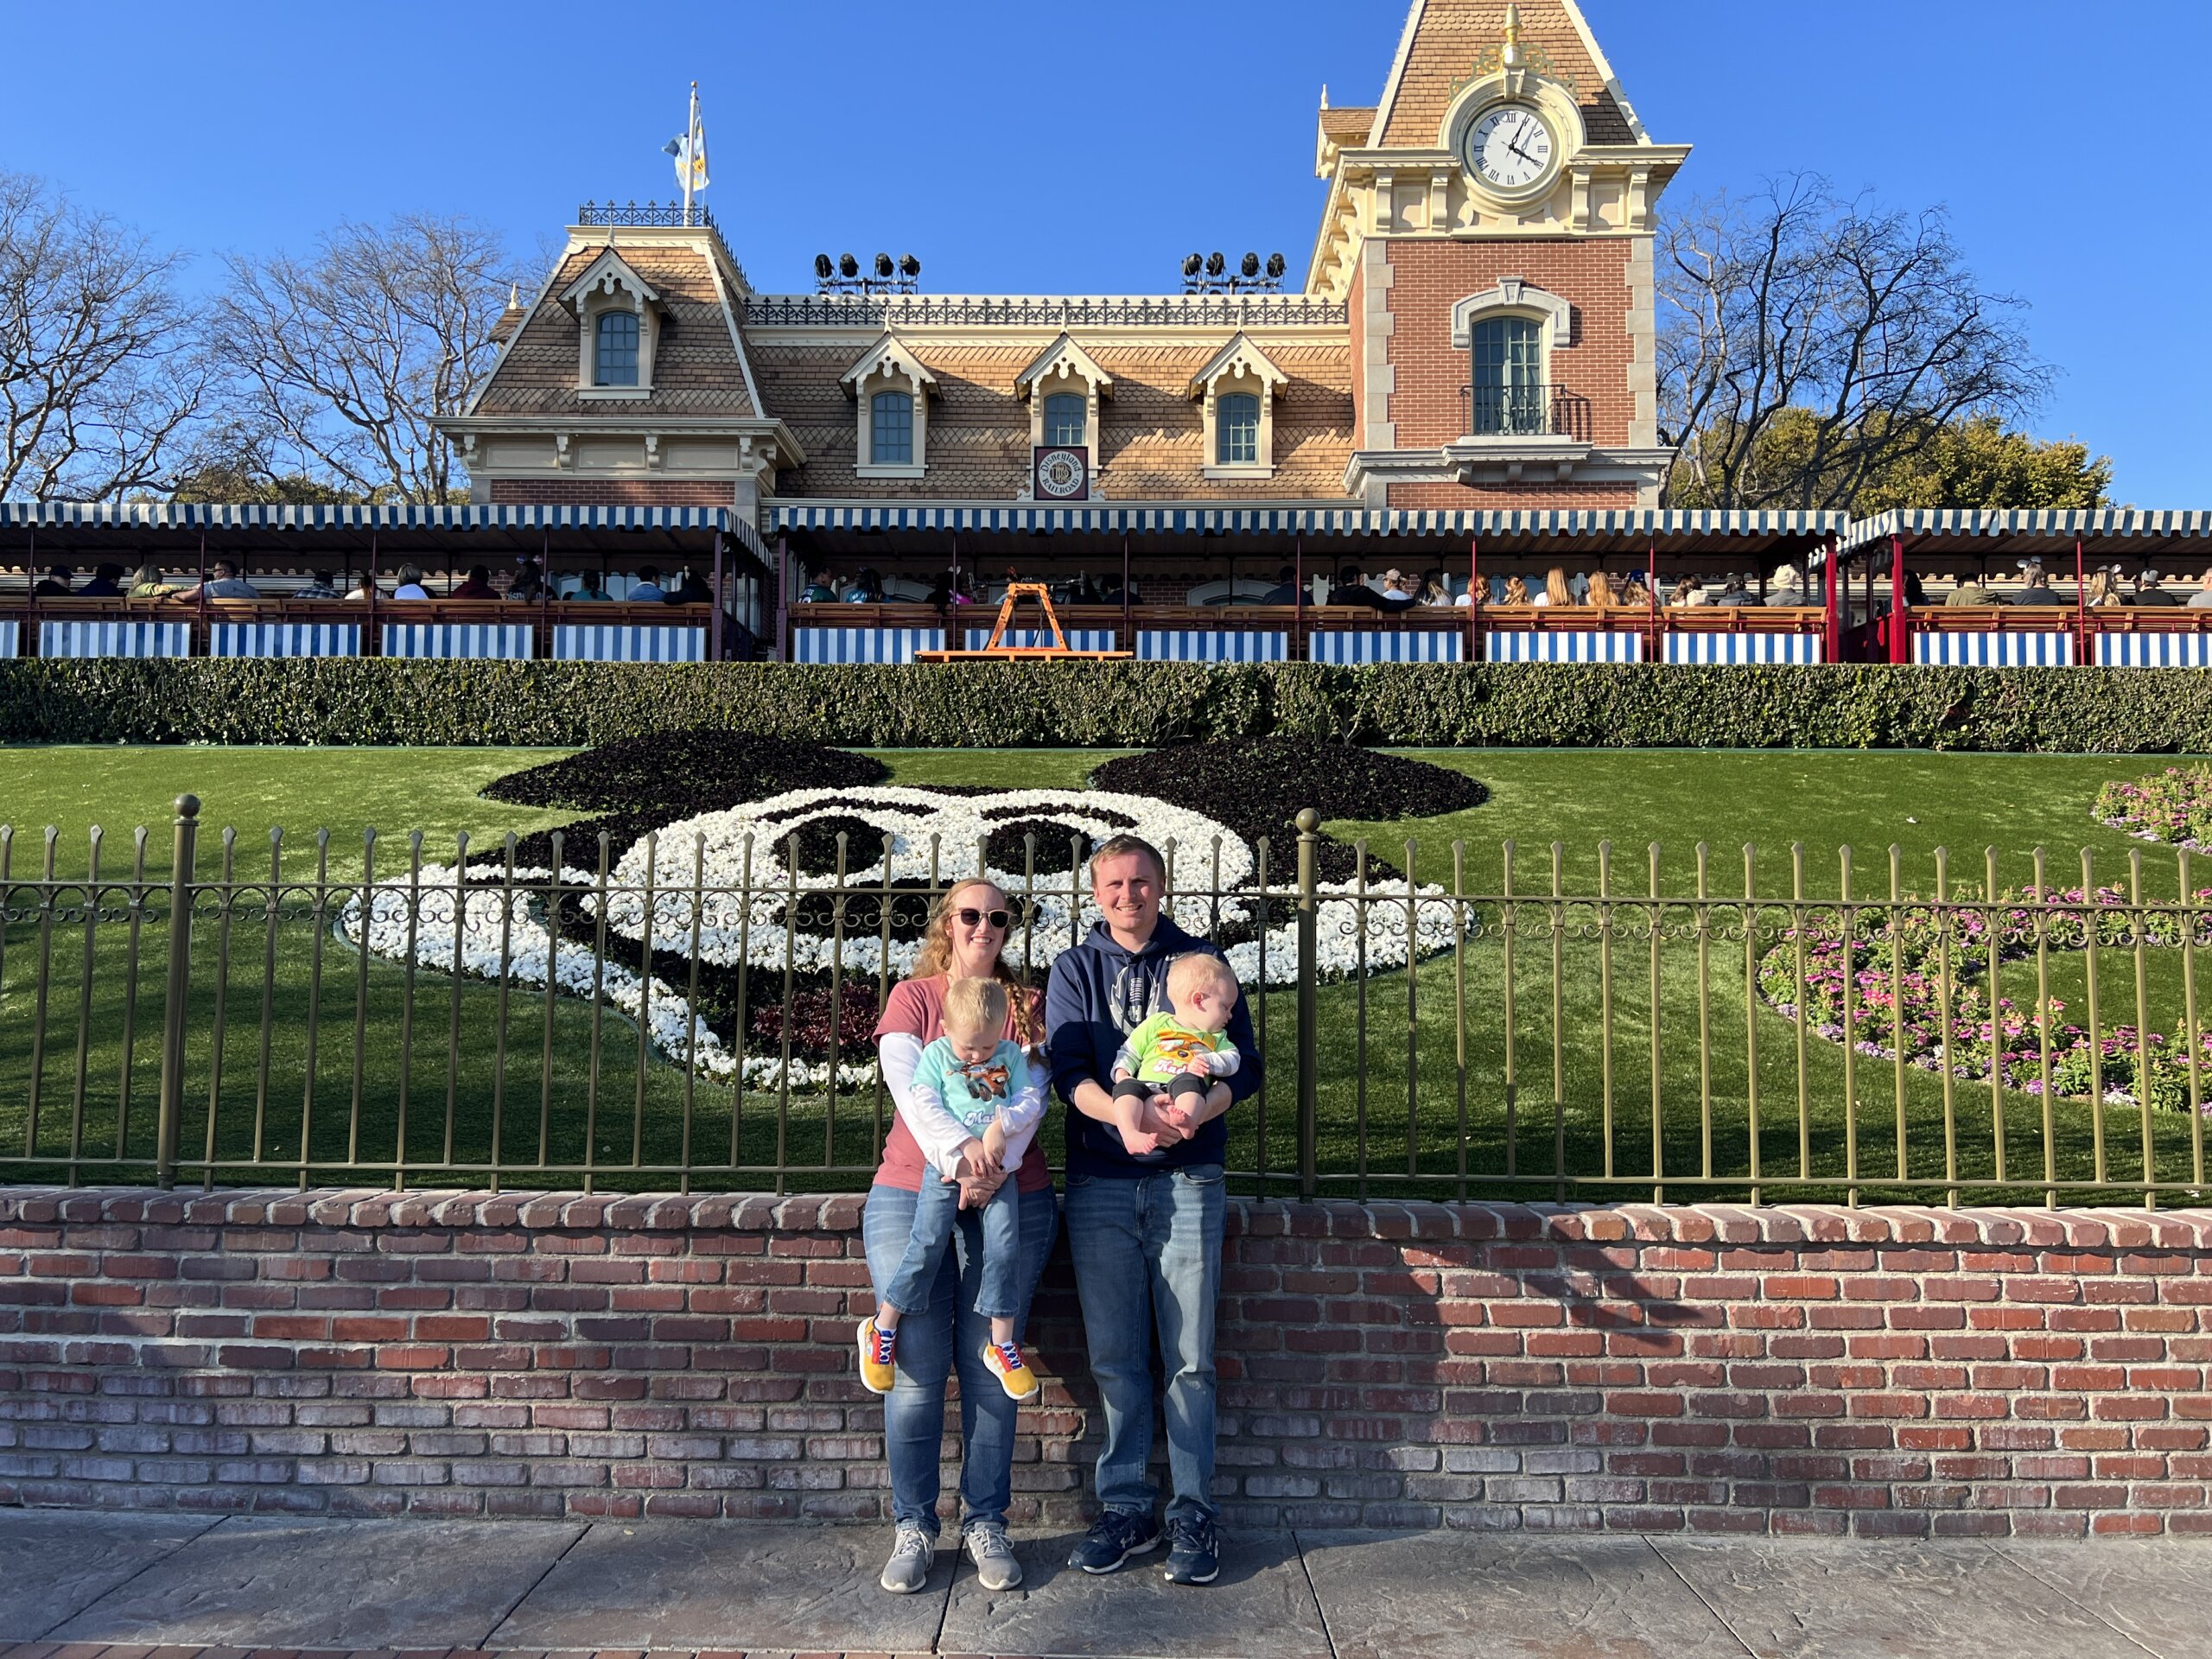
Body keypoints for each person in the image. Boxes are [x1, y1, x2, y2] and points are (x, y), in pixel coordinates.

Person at [1046, 835, 1262, 1588]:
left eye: (1140, 881)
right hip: (1102, 1181)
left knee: (1191, 1359)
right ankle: (1129, 1507)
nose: (1127, 894)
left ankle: (1194, 1512)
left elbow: (1248, 1064)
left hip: (1190, 1178)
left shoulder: (1202, 963)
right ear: (1096, 891)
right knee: (1114, 1357)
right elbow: (1067, 1072)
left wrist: (1196, 1116)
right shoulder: (1075, 968)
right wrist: (1126, 1121)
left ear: (1161, 887)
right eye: (1113, 883)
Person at [867, 880, 1058, 1599]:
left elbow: (1032, 1098)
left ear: (1009, 927)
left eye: (997, 916)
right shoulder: (915, 998)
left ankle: (986, 1521)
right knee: (914, 1366)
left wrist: (993, 1168)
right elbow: (909, 1089)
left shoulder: (1028, 1007)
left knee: (989, 1368)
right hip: (912, 1188)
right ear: (949, 923)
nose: (984, 925)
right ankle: (913, 1525)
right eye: (970, 914)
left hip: (1013, 1192)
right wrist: (959, 1164)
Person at [861, 975, 1047, 1408]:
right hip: (944, 1168)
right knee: (925, 1243)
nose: (979, 1056)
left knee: (1005, 1248)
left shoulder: (1008, 1057)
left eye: (987, 1046)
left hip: (999, 1170)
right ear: (945, 1028)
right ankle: (883, 1325)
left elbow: (1030, 1101)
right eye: (970, 1048)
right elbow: (922, 1105)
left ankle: (1000, 1343)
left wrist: (1001, 1127)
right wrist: (963, 1148)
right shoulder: (937, 1056)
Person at [1108, 955, 1243, 1143]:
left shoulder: (1216, 1036)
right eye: (1226, 1007)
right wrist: (1122, 1073)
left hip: (1182, 1085)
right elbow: (1130, 1051)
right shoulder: (1157, 1023)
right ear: (1198, 1000)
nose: (1230, 1016)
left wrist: (1209, 1062)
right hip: (1147, 1085)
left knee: (1190, 1084)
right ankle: (1130, 1133)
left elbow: (1233, 1059)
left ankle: (1187, 1121)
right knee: (1125, 1090)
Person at [177, 560, 259, 600]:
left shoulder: (212, 586)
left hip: (215, 624)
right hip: (248, 624)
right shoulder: (250, 589)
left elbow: (186, 597)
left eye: (215, 570)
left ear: (221, 572)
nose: (213, 573)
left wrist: (174, 595)